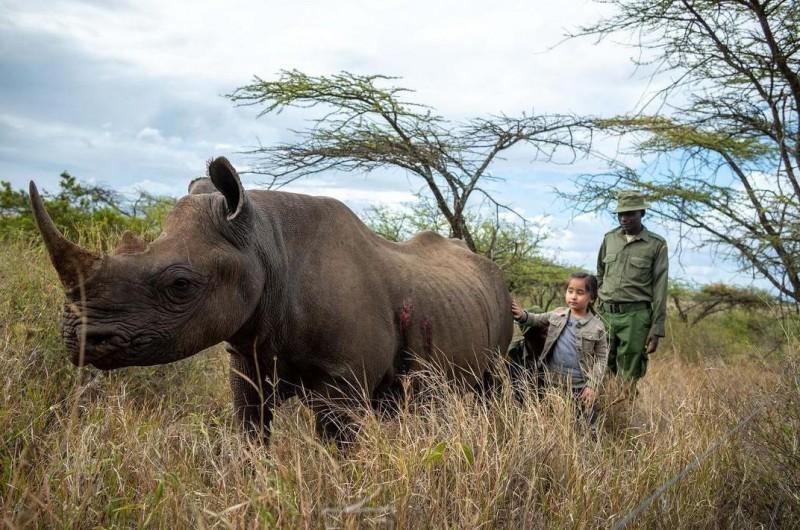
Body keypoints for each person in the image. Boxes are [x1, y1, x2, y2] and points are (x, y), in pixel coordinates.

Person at [510, 272, 608, 426]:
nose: (573, 296)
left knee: (586, 428)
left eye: (580, 293)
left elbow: (602, 358)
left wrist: (592, 385)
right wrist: (522, 315)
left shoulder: (597, 327)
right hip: (552, 382)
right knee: (550, 422)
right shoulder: (558, 314)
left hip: (579, 387)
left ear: (592, 298)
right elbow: (536, 319)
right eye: (570, 291)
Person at [596, 191, 668, 393]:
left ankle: (623, 419)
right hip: (605, 314)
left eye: (630, 214)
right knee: (598, 369)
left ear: (642, 213)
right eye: (620, 214)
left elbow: (661, 287)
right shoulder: (609, 238)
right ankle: (599, 419)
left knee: (628, 375)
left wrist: (657, 327)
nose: (623, 219)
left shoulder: (656, 244)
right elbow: (600, 274)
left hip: (635, 317)